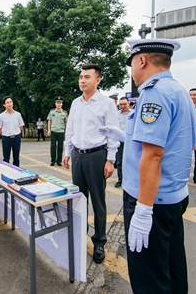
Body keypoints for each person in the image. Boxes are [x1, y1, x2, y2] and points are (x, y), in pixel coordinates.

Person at [107, 38, 195, 293]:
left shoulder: (153, 92)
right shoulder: (178, 90)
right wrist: (125, 136)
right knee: (171, 266)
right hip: (173, 196)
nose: (132, 72)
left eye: (132, 64)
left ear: (142, 60)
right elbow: (171, 140)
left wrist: (144, 210)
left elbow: (154, 155)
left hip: (151, 200)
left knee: (150, 279)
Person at [62, 63, 119, 264]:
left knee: (97, 200)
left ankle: (99, 242)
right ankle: (80, 235)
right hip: (77, 155)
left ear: (98, 80)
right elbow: (71, 129)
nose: (82, 80)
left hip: (97, 156)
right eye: (80, 77)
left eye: (87, 77)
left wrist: (110, 160)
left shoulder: (106, 103)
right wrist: (67, 152)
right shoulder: (76, 103)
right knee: (79, 199)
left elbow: (113, 134)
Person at [0, 96, 25, 167]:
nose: (9, 104)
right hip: (6, 139)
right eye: (7, 103)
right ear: (4, 105)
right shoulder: (1, 116)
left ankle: (17, 173)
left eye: (10, 102)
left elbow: (21, 126)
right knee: (6, 158)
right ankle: (7, 172)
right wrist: (5, 134)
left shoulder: (18, 115)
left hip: (16, 138)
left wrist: (16, 132)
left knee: (16, 157)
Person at [114, 96, 133, 188]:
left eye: (125, 104)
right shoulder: (116, 115)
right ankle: (120, 179)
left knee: (131, 161)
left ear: (128, 104)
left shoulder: (134, 114)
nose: (123, 106)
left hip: (131, 141)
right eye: (121, 104)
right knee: (119, 161)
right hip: (120, 141)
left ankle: (130, 179)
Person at [47, 96, 68, 166]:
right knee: (53, 147)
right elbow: (49, 121)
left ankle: (59, 161)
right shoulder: (52, 112)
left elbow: (66, 123)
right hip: (53, 131)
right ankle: (53, 160)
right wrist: (49, 130)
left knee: (60, 147)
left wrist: (66, 132)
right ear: (55, 104)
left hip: (61, 132)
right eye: (57, 103)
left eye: (60, 103)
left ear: (62, 104)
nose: (58, 104)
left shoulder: (64, 113)